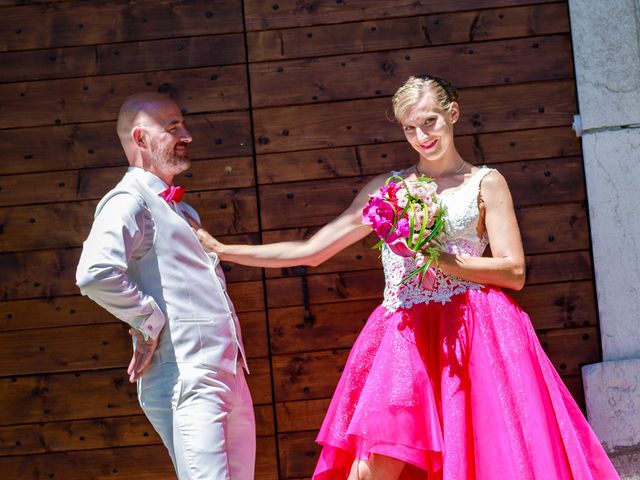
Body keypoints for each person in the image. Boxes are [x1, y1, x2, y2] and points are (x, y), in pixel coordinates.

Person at [188, 75, 619, 479]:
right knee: (370, 468)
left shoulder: (487, 182)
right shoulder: (389, 190)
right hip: (405, 337)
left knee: (490, 455)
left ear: (453, 112)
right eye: (410, 129)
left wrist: (437, 259)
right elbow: (312, 251)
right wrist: (224, 249)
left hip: (476, 335)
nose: (422, 137)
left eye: (429, 122)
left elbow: (514, 271)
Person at [75, 92, 255, 480]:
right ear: (140, 139)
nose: (186, 134)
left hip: (230, 372)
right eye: (173, 128)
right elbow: (94, 273)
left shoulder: (183, 209)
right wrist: (148, 321)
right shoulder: (127, 200)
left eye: (183, 125)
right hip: (186, 376)